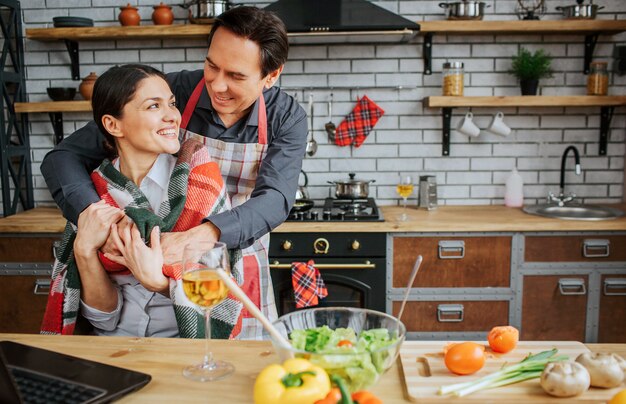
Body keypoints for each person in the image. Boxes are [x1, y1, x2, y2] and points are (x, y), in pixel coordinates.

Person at [40, 7, 307, 339]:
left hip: (234, 255)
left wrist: (201, 236)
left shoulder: (286, 118)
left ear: (270, 76)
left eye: (236, 76)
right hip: (153, 260)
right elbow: (63, 157)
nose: (218, 85)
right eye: (211, 65)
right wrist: (95, 219)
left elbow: (276, 199)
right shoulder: (174, 92)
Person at [41, 64, 245, 338]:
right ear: (113, 125)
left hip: (186, 348)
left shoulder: (201, 183)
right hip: (111, 349)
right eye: (153, 106)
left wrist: (159, 282)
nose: (172, 116)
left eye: (172, 104)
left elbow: (218, 303)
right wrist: (85, 251)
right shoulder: (96, 196)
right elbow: (104, 321)